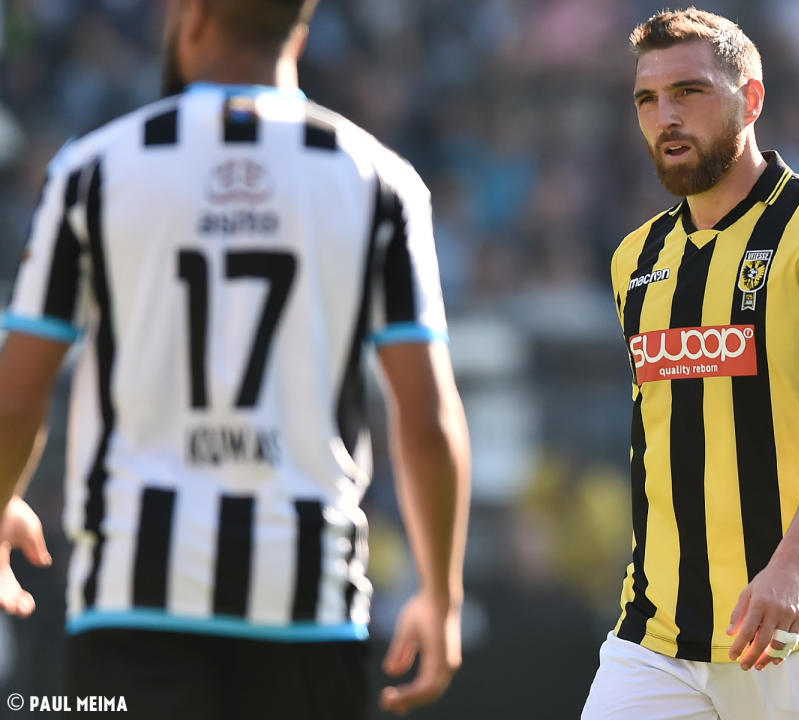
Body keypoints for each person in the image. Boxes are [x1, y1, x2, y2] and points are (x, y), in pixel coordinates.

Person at [0, 0, 471, 717]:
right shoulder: (381, 181)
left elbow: (14, 397)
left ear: (191, 18)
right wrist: (441, 595)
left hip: (134, 597)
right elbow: (427, 419)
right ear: (299, 34)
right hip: (309, 600)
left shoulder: (92, 169)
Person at [582, 8, 799, 720]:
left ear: (750, 98)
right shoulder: (636, 258)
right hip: (656, 636)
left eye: (689, 92)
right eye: (648, 99)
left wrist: (792, 566)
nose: (666, 116)